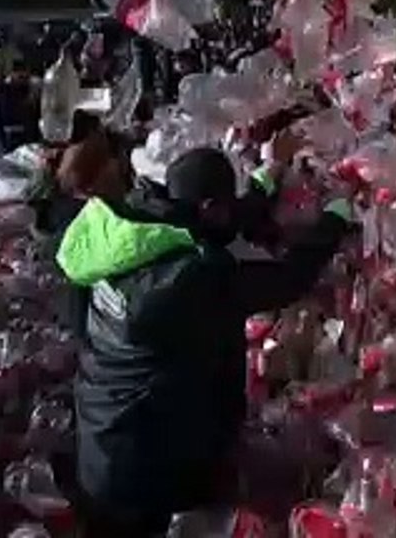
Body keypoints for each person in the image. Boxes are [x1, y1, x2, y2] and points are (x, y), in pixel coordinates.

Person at [56, 137, 356, 538]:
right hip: (146, 470)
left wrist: (265, 181)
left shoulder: (138, 226)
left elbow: (213, 224)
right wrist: (335, 217)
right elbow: (288, 279)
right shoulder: (188, 278)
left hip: (103, 439)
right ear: (211, 206)